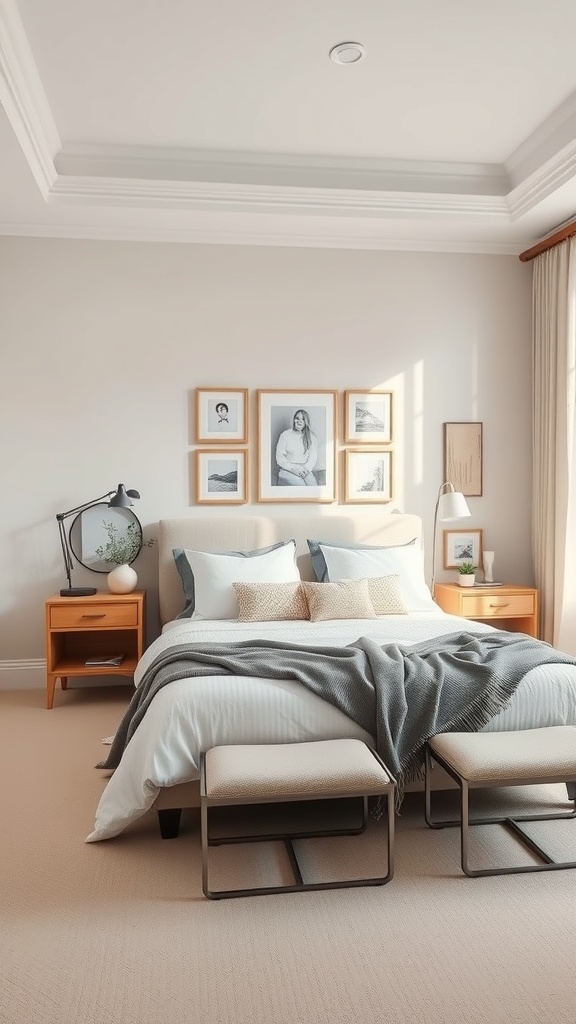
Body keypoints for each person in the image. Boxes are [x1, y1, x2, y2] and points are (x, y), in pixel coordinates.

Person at [275, 409, 318, 485]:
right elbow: (279, 456)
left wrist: (305, 469)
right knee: (300, 485)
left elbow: (313, 457)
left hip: (304, 469)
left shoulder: (310, 437)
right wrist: (292, 469)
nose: (299, 421)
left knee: (313, 485)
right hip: (287, 469)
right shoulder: (285, 435)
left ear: (306, 422)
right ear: (294, 420)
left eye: (303, 419)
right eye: (297, 418)